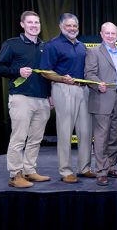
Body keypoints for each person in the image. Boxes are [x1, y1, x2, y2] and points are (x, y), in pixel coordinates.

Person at [0, 11, 52, 188]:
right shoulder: (12, 44)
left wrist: (50, 96)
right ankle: (15, 175)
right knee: (19, 137)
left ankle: (30, 170)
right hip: (21, 98)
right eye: (30, 22)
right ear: (22, 24)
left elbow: (47, 73)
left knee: (36, 138)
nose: (34, 25)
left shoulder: (45, 46)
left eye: (37, 22)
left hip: (42, 100)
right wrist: (17, 72)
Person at [40, 13, 95, 183]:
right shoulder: (52, 46)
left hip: (83, 90)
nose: (72, 29)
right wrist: (61, 78)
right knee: (65, 131)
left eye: (74, 26)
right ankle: (65, 171)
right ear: (61, 26)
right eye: (68, 25)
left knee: (85, 131)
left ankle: (84, 167)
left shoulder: (81, 46)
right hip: (63, 89)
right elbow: (45, 71)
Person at [84, 22, 117, 186]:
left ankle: (110, 167)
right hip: (102, 99)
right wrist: (97, 84)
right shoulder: (93, 51)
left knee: (114, 137)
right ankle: (101, 172)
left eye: (113, 33)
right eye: (107, 33)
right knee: (101, 138)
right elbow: (89, 74)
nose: (110, 36)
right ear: (101, 34)